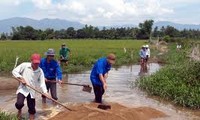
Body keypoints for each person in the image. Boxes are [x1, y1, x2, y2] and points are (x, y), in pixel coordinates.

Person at [12, 53, 49, 120]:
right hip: (23, 89)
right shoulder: (24, 65)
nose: (36, 65)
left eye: (37, 63)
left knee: (32, 109)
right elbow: (14, 71)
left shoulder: (40, 71)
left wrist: (45, 92)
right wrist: (21, 78)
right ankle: (19, 111)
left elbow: (42, 83)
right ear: (31, 60)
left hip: (32, 91)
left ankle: (31, 118)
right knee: (19, 104)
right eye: (35, 63)